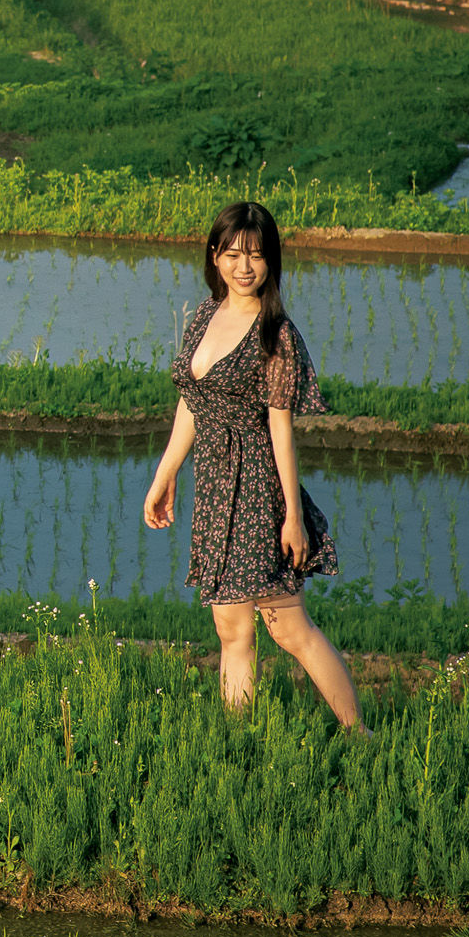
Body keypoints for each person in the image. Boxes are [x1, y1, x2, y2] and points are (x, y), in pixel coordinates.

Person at [143, 200, 365, 730]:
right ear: (214, 256)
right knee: (230, 629)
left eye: (257, 256)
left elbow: (282, 431)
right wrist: (165, 474)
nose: (245, 267)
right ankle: (236, 739)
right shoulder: (203, 314)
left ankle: (359, 733)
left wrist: (292, 515)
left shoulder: (276, 335)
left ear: (272, 262)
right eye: (233, 254)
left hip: (257, 487)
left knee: (288, 627)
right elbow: (192, 404)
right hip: (216, 487)